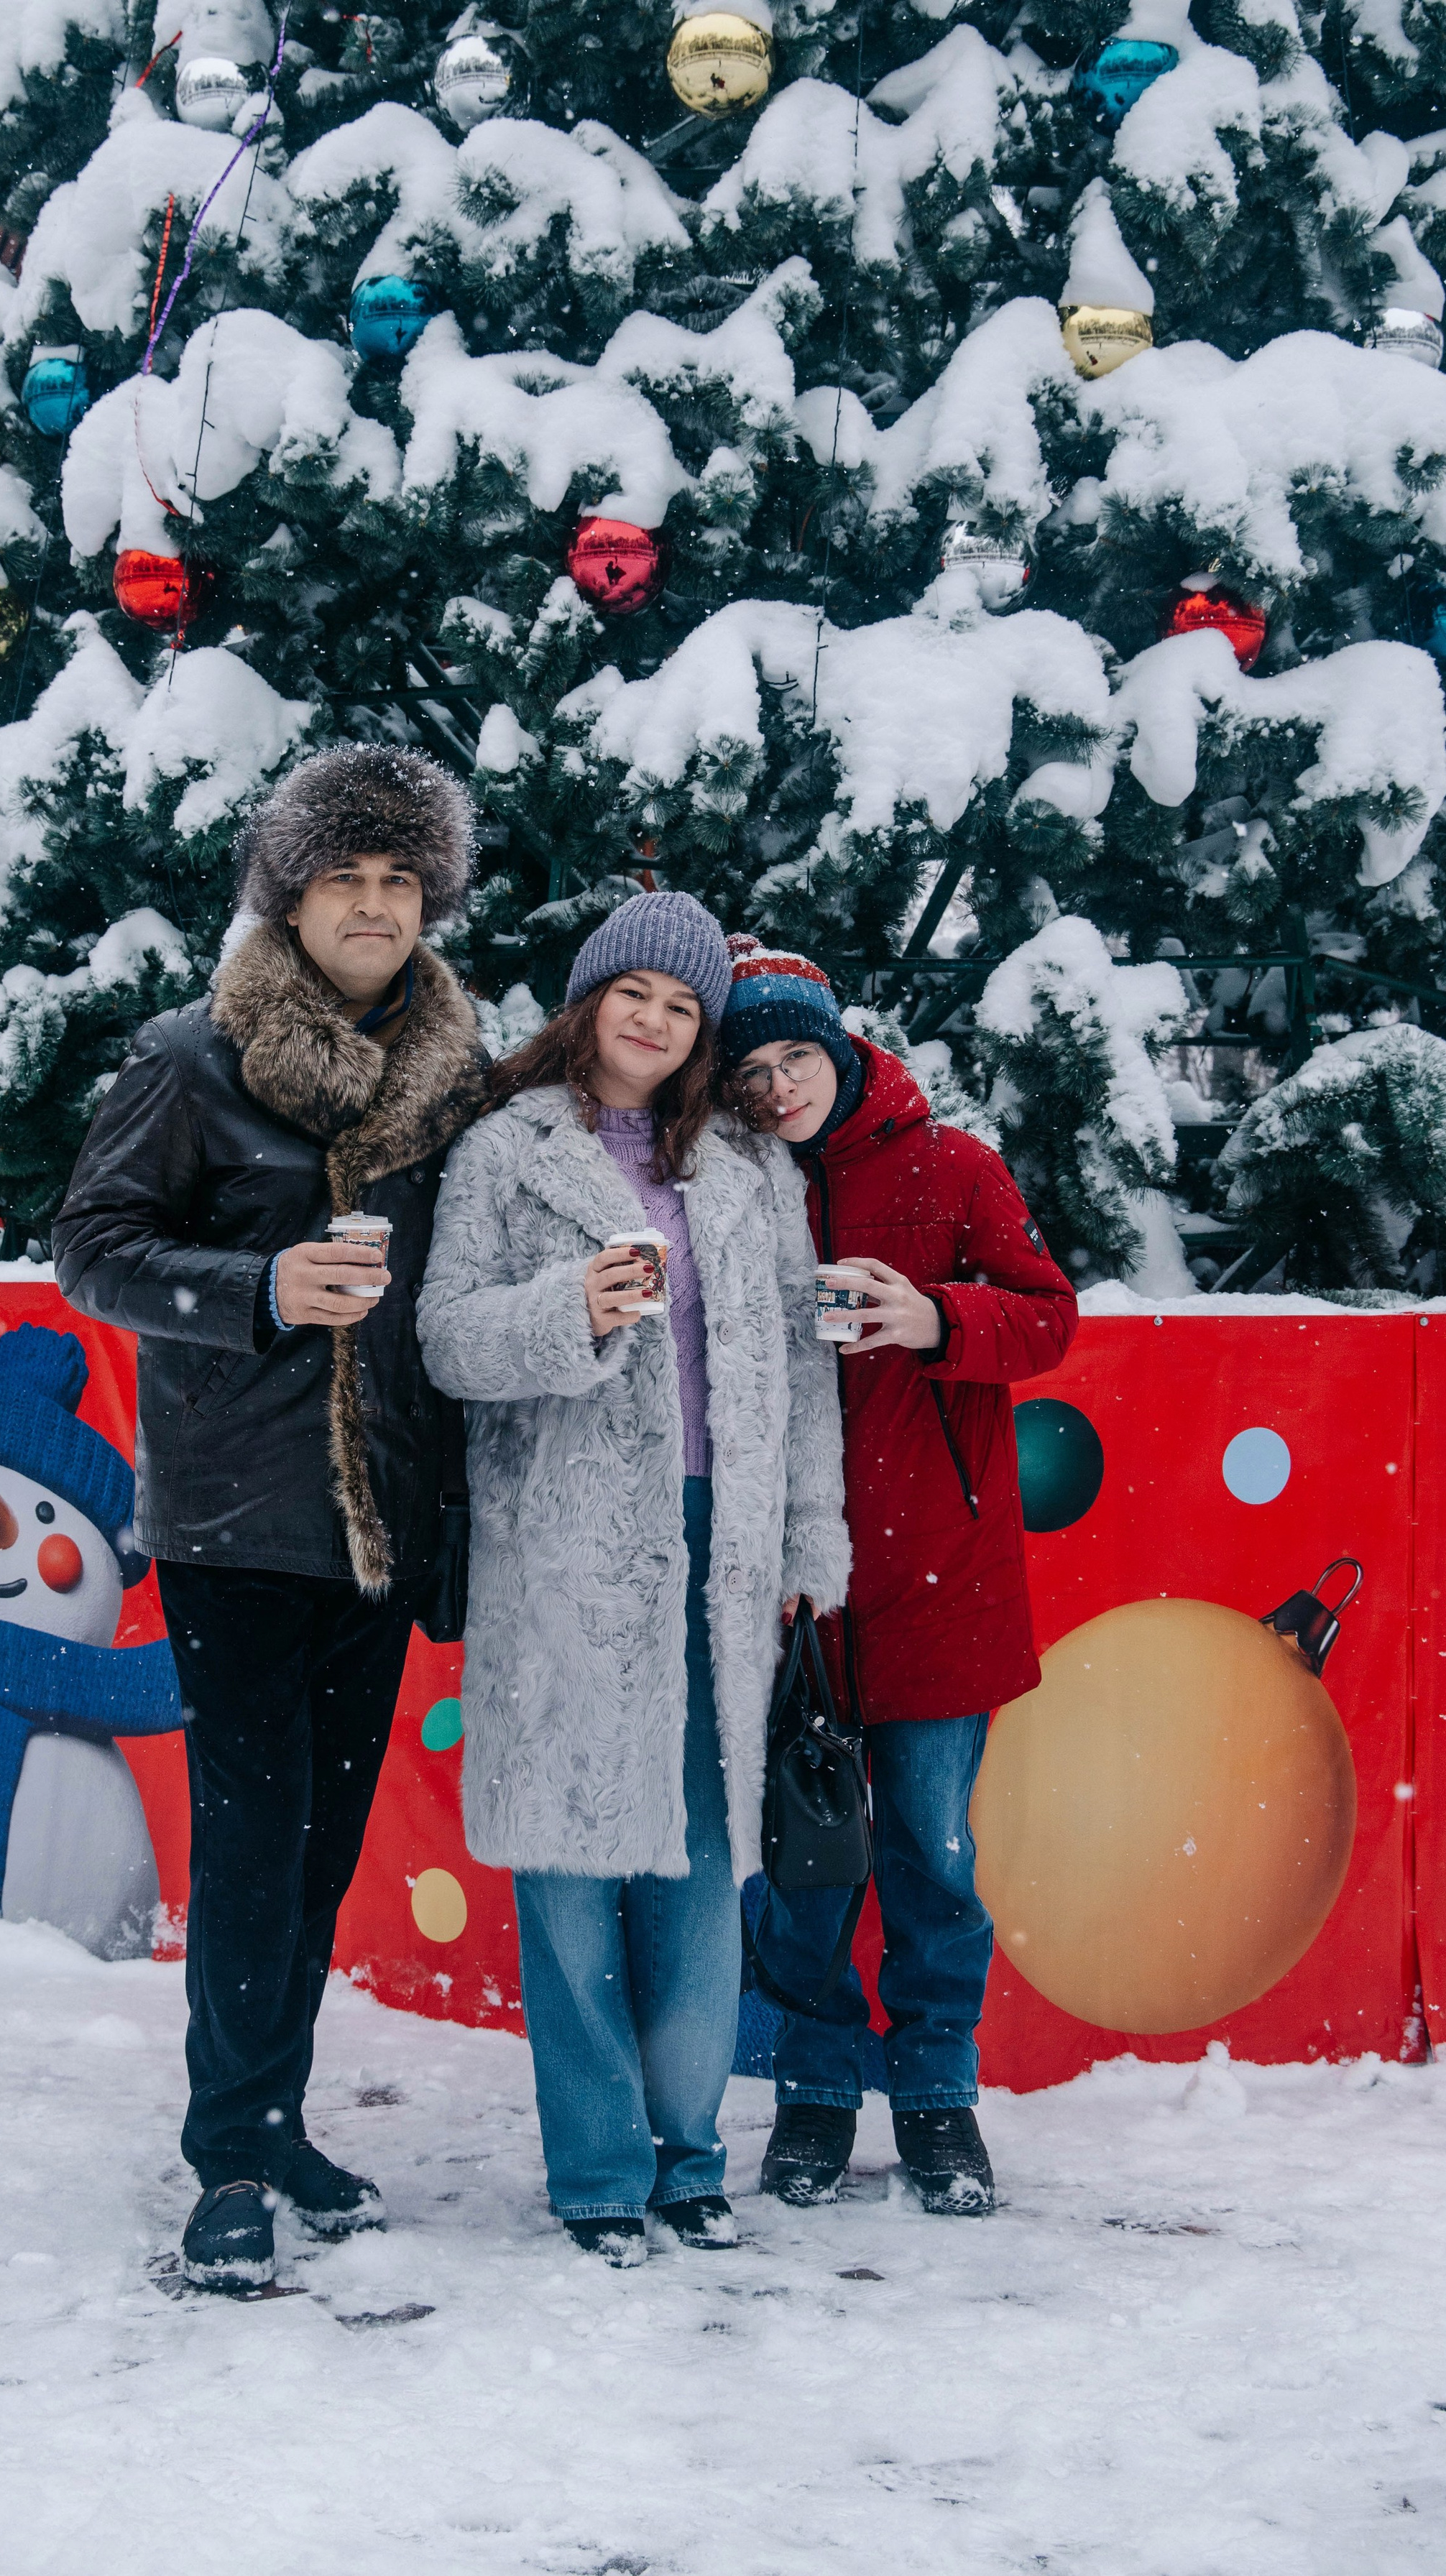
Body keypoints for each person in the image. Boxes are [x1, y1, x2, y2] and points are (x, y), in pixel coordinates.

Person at [52, 743, 485, 2289]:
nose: (373, 902)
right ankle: (228, 2155)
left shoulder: (453, 1074)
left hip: (381, 1533)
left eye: (398, 876)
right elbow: (91, 1245)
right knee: (248, 1847)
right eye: (343, 876)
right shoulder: (192, 1057)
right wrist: (253, 1288)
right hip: (236, 1524)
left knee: (318, 1854)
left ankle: (274, 2108)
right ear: (288, 896)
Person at [417, 893, 850, 2266]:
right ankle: (598, 2168)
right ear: (588, 1003)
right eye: (634, 995)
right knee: (569, 1870)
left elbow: (798, 1368)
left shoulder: (745, 1167)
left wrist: (803, 1543)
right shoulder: (504, 1151)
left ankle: (692, 2154)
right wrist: (569, 1313)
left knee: (704, 1865)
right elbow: (445, 1341)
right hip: (560, 1544)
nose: (656, 1022)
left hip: (723, 1544)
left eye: (683, 1004)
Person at [720, 935, 1076, 2215]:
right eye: (749, 1068)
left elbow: (1048, 1316)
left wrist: (935, 1317)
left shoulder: (952, 1165)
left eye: (795, 1056)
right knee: (809, 1862)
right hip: (790, 1595)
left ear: (841, 1049)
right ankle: (814, 2091)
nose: (777, 1087)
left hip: (941, 1581)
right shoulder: (727, 1181)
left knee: (930, 1852)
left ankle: (937, 2099)